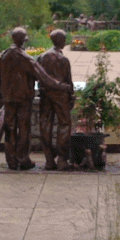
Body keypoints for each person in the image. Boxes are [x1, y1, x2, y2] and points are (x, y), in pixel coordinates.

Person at [0, 27, 71, 170]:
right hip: (23, 99)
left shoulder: (4, 55)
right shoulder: (25, 58)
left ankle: (11, 160)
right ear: (23, 40)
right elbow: (43, 77)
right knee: (23, 128)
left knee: (10, 128)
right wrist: (61, 86)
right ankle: (23, 159)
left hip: (8, 99)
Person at [37, 29, 75, 170]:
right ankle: (62, 159)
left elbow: (39, 76)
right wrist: (71, 96)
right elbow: (68, 81)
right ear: (61, 41)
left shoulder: (41, 57)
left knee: (45, 124)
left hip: (45, 94)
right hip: (60, 95)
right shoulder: (63, 60)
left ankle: (49, 159)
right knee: (64, 124)